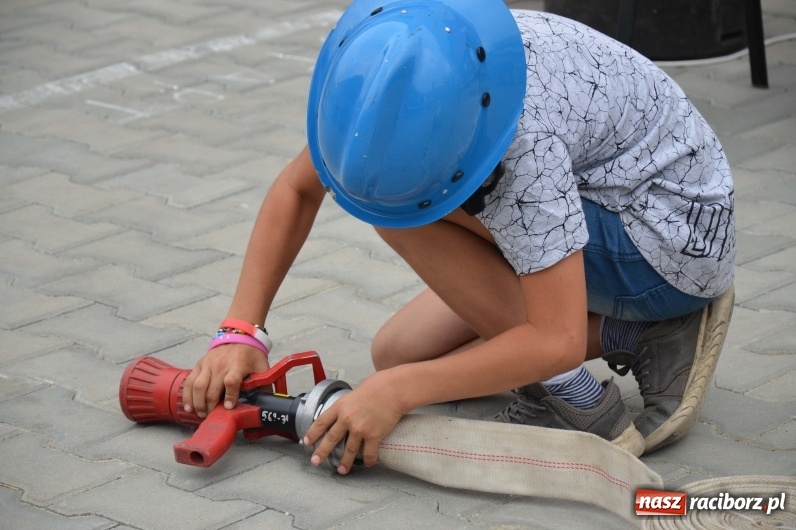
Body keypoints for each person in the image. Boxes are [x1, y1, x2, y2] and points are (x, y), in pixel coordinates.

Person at [182, 0, 736, 475]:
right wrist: (240, 332)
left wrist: (397, 395)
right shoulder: (399, 75)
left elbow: (555, 340)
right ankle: (638, 333)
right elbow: (298, 190)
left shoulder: (524, 149)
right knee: (397, 352)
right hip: (614, 202)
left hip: (666, 242)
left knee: (404, 218)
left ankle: (581, 394)